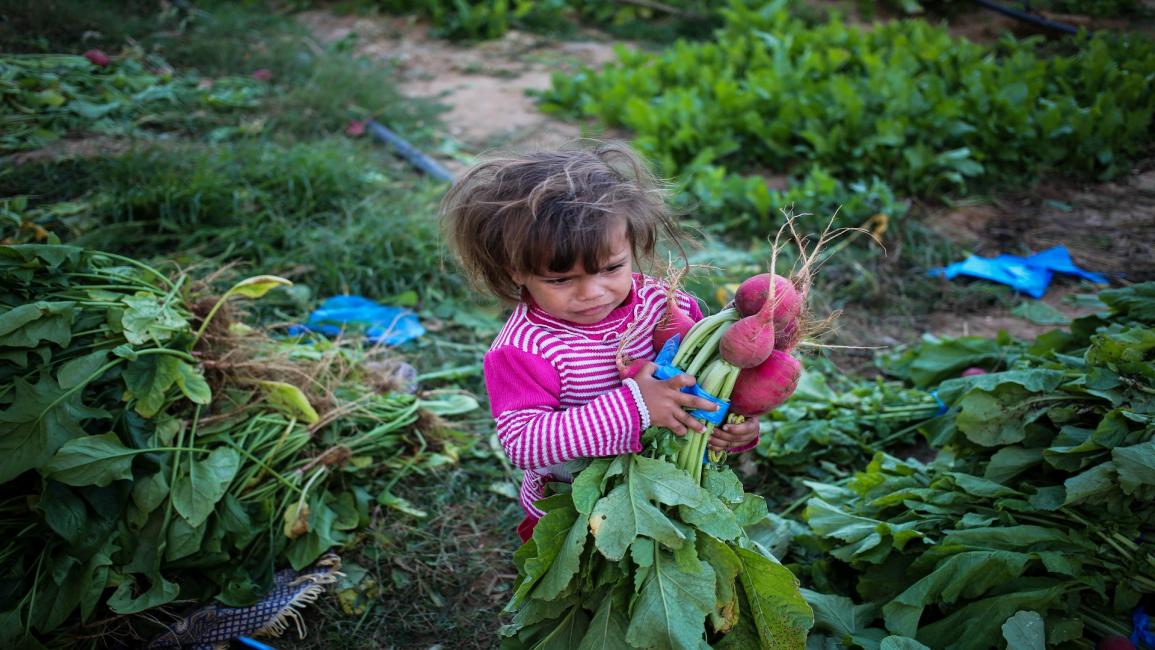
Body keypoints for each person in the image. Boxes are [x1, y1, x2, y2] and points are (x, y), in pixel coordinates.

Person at [440, 141, 760, 543]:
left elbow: (698, 385)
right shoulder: (523, 349)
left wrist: (731, 425)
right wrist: (636, 406)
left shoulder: (665, 305)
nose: (592, 292)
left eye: (611, 268)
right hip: (577, 512)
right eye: (560, 279)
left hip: (672, 494)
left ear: (633, 246)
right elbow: (523, 443)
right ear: (515, 270)